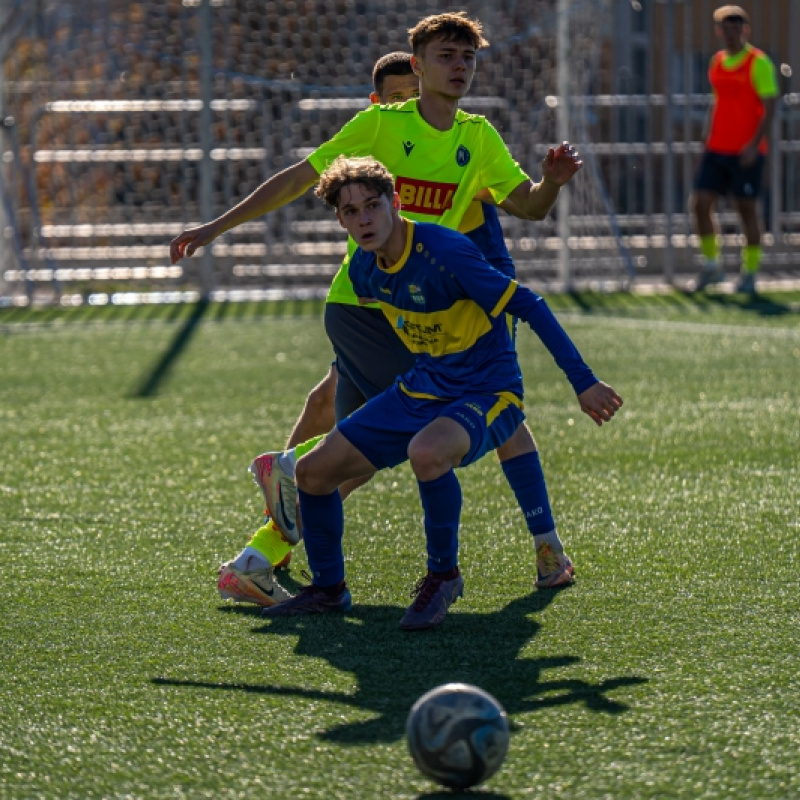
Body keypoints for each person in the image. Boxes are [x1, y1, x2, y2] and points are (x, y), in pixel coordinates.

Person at [171, 13, 587, 603]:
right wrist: (217, 226)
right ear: (416, 67)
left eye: (467, 57)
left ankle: (259, 553)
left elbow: (529, 206)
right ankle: (299, 487)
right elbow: (299, 177)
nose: (459, 67)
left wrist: (553, 182)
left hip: (407, 312)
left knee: (359, 445)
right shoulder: (379, 125)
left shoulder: (477, 137)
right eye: (446, 56)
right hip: (365, 306)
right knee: (435, 427)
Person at [260, 155, 622, 629]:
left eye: (372, 205)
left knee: (425, 453)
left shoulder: (444, 251)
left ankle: (443, 575)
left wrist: (584, 382)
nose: (364, 219)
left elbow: (529, 304)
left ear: (396, 202)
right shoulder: (363, 273)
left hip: (491, 392)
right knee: (311, 472)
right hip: (423, 388)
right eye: (351, 212)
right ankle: (328, 588)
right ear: (339, 219)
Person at [692, 5, 779, 295]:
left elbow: (769, 107)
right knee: (700, 204)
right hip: (717, 148)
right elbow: (718, 101)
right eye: (725, 28)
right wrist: (707, 133)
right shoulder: (716, 62)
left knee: (747, 210)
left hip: (746, 152)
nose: (730, 33)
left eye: (736, 28)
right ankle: (712, 266)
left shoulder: (759, 63)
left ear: (745, 30)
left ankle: (750, 272)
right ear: (719, 31)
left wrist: (754, 145)